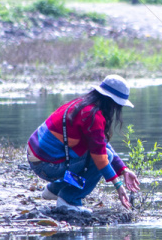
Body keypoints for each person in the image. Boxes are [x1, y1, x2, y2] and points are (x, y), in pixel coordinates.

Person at [26, 75, 141, 212]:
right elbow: (101, 157)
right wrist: (118, 185)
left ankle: (55, 189)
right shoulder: (93, 115)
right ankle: (69, 200)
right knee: (104, 158)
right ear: (112, 102)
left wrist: (124, 170)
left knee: (101, 156)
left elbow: (101, 143)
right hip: (47, 165)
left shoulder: (82, 105)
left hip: (37, 158)